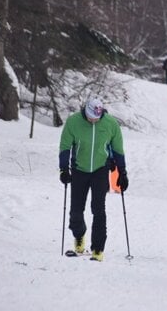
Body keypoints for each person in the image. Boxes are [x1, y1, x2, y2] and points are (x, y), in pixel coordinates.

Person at [59, 97, 128, 262]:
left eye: (96, 118)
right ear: (86, 110)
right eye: (90, 117)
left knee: (98, 210)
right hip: (79, 169)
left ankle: (98, 249)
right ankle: (79, 235)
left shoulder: (111, 124)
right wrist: (64, 169)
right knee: (76, 211)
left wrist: (123, 173)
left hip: (100, 170)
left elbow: (118, 150)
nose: (93, 120)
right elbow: (65, 146)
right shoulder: (73, 122)